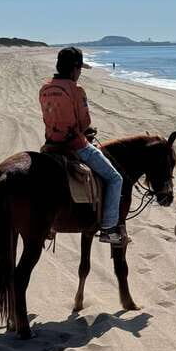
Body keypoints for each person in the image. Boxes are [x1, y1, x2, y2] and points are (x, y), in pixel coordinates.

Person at [39, 47, 128, 246]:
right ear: (74, 69)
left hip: (50, 145)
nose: (79, 74)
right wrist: (84, 130)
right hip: (75, 145)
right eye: (79, 69)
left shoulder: (44, 88)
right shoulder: (76, 90)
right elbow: (84, 122)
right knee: (115, 178)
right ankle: (108, 228)